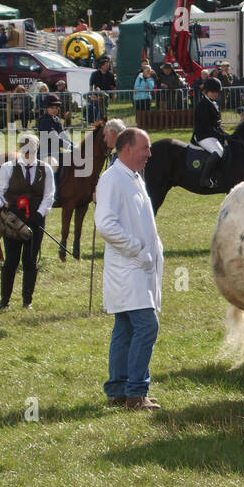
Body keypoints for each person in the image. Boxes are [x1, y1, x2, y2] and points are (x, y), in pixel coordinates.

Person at [95, 128, 164, 410]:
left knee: (124, 328)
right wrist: (136, 248)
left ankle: (118, 390)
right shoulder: (112, 180)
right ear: (126, 150)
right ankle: (135, 392)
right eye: (145, 148)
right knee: (146, 326)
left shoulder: (133, 178)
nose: (149, 154)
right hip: (128, 267)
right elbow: (106, 225)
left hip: (138, 268)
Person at [0, 131, 55, 310]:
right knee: (11, 261)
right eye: (25, 151)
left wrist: (39, 215)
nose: (28, 155)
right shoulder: (8, 168)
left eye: (32, 151)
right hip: (13, 222)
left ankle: (27, 301)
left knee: (30, 260)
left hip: (35, 221)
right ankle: (4, 302)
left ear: (36, 149)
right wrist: (8, 210)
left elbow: (49, 196)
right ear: (20, 149)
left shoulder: (45, 169)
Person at [192, 77, 230, 188]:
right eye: (212, 92)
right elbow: (207, 126)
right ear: (206, 91)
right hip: (203, 135)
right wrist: (221, 135)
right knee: (218, 151)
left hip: (212, 134)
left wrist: (226, 135)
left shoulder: (214, 103)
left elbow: (216, 125)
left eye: (217, 92)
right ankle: (204, 178)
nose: (215, 94)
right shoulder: (202, 105)